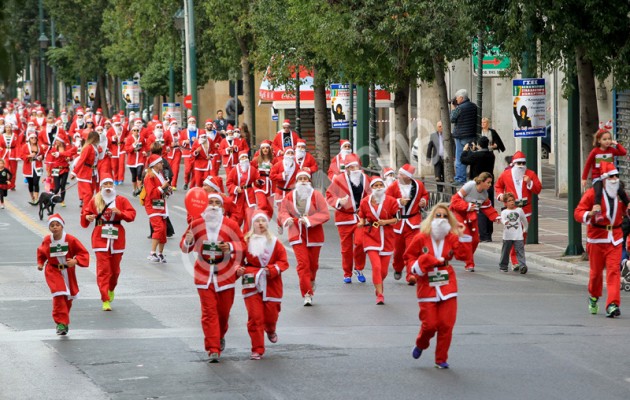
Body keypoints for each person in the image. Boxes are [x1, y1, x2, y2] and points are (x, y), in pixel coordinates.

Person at [180, 194, 244, 363]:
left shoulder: (231, 225)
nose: (214, 206)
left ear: (222, 207)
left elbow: (243, 244)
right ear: (205, 206)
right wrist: (188, 242)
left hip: (225, 277)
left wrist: (229, 246)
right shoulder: (197, 224)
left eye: (217, 203)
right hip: (204, 275)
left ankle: (220, 336)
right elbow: (185, 249)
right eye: (211, 203)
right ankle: (212, 348)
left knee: (223, 313)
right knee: (209, 313)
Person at [405, 204, 470, 369]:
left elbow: (463, 256)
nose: (441, 219)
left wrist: (462, 235)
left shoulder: (452, 237)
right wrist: (415, 268)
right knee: (430, 325)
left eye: (445, 216)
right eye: (438, 216)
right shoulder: (421, 237)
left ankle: (441, 358)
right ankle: (421, 343)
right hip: (427, 283)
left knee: (446, 325)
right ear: (432, 218)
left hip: (447, 283)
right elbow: (410, 256)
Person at [236, 212, 289, 360]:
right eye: (257, 221)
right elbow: (238, 261)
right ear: (252, 224)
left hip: (271, 283)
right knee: (255, 317)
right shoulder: (246, 241)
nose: (260, 223)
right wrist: (239, 270)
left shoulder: (275, 243)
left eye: (263, 221)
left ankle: (271, 329)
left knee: (271, 314)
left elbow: (283, 262)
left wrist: (271, 270)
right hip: (251, 281)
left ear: (267, 224)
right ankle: (257, 348)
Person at [574, 161, 624, 318]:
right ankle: (594, 296)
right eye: (611, 176)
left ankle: (612, 304)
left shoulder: (621, 195)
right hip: (597, 239)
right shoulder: (592, 194)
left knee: (614, 272)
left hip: (615, 239)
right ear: (603, 178)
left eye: (616, 176)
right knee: (596, 274)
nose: (614, 179)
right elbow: (577, 213)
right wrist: (588, 213)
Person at [81, 176, 137, 311]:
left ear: (113, 186)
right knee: (103, 270)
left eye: (110, 184)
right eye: (105, 184)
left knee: (115, 271)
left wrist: (121, 213)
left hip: (117, 239)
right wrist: (87, 217)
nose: (107, 186)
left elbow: (132, 215)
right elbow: (85, 215)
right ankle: (105, 299)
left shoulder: (121, 200)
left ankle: (111, 288)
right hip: (100, 238)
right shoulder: (95, 200)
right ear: (101, 187)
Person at [278, 169, 330, 306]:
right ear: (296, 182)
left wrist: (309, 220)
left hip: (314, 235)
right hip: (296, 234)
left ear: (309, 181)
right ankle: (307, 293)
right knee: (303, 264)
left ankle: (311, 280)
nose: (302, 181)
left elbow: (325, 214)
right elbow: (282, 211)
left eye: (305, 179)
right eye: (300, 179)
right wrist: (287, 219)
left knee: (313, 265)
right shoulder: (289, 196)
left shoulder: (317, 195)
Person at [36, 214, 90, 335]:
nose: (55, 227)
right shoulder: (47, 240)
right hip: (53, 270)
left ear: (62, 226)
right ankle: (60, 323)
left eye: (57, 225)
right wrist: (40, 263)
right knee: (59, 294)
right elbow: (41, 252)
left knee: (67, 298)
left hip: (67, 271)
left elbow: (83, 253)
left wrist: (75, 261)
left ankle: (64, 322)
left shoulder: (70, 239)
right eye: (52, 225)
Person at [325, 154, 370, 283]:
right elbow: (329, 195)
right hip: (344, 217)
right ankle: (347, 272)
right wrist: (339, 201)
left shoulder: (365, 179)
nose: (355, 169)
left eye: (356, 166)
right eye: (352, 167)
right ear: (348, 169)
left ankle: (359, 268)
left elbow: (369, 195)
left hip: (360, 217)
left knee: (361, 243)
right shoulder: (339, 180)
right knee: (346, 248)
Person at [495, 151, 542, 267]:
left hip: (526, 210)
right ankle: (515, 260)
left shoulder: (530, 174)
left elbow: (538, 189)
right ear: (513, 164)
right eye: (518, 163)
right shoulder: (506, 174)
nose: (521, 165)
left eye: (523, 163)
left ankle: (516, 259)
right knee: (514, 234)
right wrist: (500, 195)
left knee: (522, 235)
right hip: (512, 209)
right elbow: (498, 186)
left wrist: (529, 182)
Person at [358, 178, 400, 304]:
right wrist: (361, 223)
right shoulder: (365, 202)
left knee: (384, 271)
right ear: (372, 188)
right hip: (371, 236)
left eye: (380, 185)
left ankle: (378, 286)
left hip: (387, 237)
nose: (378, 187)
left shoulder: (391, 201)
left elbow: (396, 219)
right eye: (375, 185)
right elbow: (362, 216)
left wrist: (386, 222)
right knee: (376, 267)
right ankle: (380, 295)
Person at [386, 164, 428, 285]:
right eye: (398, 173)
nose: (398, 176)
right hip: (398, 224)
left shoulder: (418, 185)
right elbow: (387, 201)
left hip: (413, 223)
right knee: (398, 251)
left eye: (401, 174)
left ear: (408, 176)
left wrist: (423, 201)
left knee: (412, 250)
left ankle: (411, 275)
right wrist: (399, 202)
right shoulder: (394, 186)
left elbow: (425, 194)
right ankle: (398, 267)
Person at [449, 172, 500, 271]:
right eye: (488, 182)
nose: (490, 185)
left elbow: (487, 208)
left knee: (475, 239)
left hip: (471, 215)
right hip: (459, 213)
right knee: (467, 236)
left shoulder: (485, 194)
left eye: (491, 183)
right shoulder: (470, 185)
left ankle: (466, 256)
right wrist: (467, 206)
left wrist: (496, 217)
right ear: (481, 181)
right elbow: (455, 200)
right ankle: (469, 264)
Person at [581, 128, 629, 222]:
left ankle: (628, 205)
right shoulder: (595, 152)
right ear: (599, 140)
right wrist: (584, 178)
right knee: (598, 193)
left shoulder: (611, 150)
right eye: (604, 139)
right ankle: (598, 212)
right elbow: (588, 164)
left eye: (609, 139)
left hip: (610, 177)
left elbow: (623, 152)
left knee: (620, 190)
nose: (607, 141)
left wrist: (617, 144)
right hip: (598, 177)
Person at [461, 136, 496, 242]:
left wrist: (465, 151)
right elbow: (478, 155)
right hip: (489, 184)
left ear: (479, 145)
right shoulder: (491, 155)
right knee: (489, 207)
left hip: (479, 186)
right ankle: (488, 235)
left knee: (481, 210)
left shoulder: (476, 156)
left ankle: (483, 235)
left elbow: (464, 160)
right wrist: (474, 151)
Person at [144, 154, 172, 263]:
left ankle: (160, 253)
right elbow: (151, 194)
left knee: (163, 230)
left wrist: (167, 190)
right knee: (159, 228)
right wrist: (163, 187)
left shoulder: (160, 174)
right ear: (155, 165)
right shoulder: (149, 177)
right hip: (152, 206)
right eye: (160, 162)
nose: (162, 164)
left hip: (161, 205)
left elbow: (162, 189)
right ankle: (152, 253)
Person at [449, 89, 478, 185]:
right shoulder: (474, 106)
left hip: (461, 136)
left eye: (457, 98)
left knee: (460, 158)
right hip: (471, 135)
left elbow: (452, 119)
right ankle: (473, 178)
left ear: (461, 98)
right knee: (471, 157)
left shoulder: (459, 108)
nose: (456, 100)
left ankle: (460, 179)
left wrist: (453, 107)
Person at [227, 151, 262, 229]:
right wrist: (235, 188)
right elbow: (229, 182)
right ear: (239, 159)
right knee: (238, 217)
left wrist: (258, 182)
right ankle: (235, 233)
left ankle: (246, 236)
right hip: (238, 196)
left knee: (249, 216)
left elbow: (258, 180)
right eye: (242, 157)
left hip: (249, 195)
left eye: (246, 157)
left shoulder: (252, 169)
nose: (244, 159)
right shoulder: (234, 170)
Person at [499, 192, 528, 273]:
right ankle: (503, 265)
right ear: (505, 203)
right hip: (507, 235)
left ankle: (522, 266)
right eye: (509, 201)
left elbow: (524, 220)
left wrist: (525, 228)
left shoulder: (519, 210)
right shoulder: (504, 212)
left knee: (520, 251)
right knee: (505, 251)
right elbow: (502, 219)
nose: (511, 202)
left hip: (518, 235)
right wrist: (505, 222)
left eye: (512, 200)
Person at [49, 137, 77, 207]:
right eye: (56, 140)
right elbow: (51, 160)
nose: (56, 141)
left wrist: (69, 158)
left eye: (58, 140)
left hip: (65, 169)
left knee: (63, 186)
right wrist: (49, 170)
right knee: (57, 186)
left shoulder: (67, 148)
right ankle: (52, 197)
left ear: (61, 141)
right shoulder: (54, 149)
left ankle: (62, 200)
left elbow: (71, 156)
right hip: (56, 169)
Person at [21, 131, 47, 205]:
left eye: (35, 138)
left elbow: (43, 154)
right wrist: (29, 156)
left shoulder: (39, 146)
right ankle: (32, 197)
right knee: (31, 183)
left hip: (38, 165)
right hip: (28, 166)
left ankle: (36, 198)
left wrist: (41, 157)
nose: (34, 139)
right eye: (32, 138)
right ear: (29, 139)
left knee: (36, 182)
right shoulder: (25, 146)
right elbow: (21, 155)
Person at [124, 126, 147, 195]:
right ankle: (134, 189)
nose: (136, 132)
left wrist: (144, 151)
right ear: (132, 131)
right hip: (132, 160)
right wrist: (133, 145)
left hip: (140, 158)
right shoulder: (129, 138)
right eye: (134, 130)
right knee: (134, 176)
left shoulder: (142, 138)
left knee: (139, 173)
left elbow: (144, 146)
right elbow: (127, 149)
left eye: (137, 130)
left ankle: (139, 189)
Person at [426, 121, 445, 191]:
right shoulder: (433, 136)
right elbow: (429, 147)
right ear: (437, 127)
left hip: (445, 159)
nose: (441, 128)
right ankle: (439, 191)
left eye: (442, 126)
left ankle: (447, 191)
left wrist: (453, 156)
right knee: (438, 177)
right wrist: (428, 157)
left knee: (446, 176)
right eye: (440, 126)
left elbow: (452, 145)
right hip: (436, 159)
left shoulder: (447, 134)